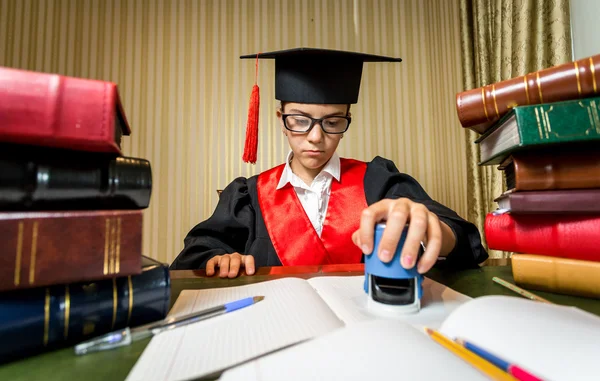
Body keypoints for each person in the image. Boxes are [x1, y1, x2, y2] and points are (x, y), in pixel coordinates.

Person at [171, 48, 488, 277]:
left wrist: (436, 233)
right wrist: (221, 258)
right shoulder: (249, 195)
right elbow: (197, 252)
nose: (315, 137)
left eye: (333, 122)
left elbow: (459, 238)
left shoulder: (377, 182)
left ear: (347, 120)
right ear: (281, 120)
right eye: (299, 120)